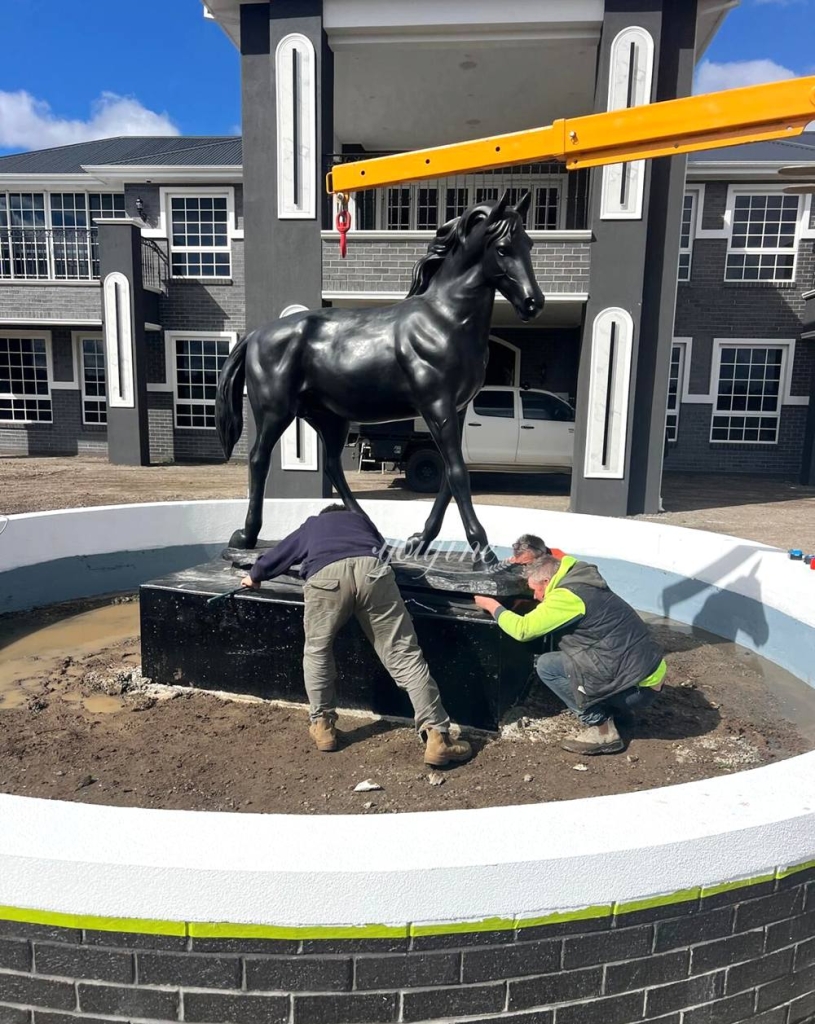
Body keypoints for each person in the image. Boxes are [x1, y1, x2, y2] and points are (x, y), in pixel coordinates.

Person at [241, 505, 472, 767]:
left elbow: (282, 553)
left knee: (317, 651)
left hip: (326, 577)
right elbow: (384, 553)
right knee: (404, 654)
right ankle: (437, 737)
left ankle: (323, 727)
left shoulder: (314, 524)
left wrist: (255, 575)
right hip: (372, 572)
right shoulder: (361, 521)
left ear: (326, 514)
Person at [474, 554, 665, 755]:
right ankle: (620, 713)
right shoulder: (581, 578)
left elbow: (523, 630)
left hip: (636, 689)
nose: (535, 596)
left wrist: (492, 606)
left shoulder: (567, 598)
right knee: (581, 657)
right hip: (647, 672)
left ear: (546, 581)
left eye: (535, 590)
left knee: (547, 666)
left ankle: (602, 729)